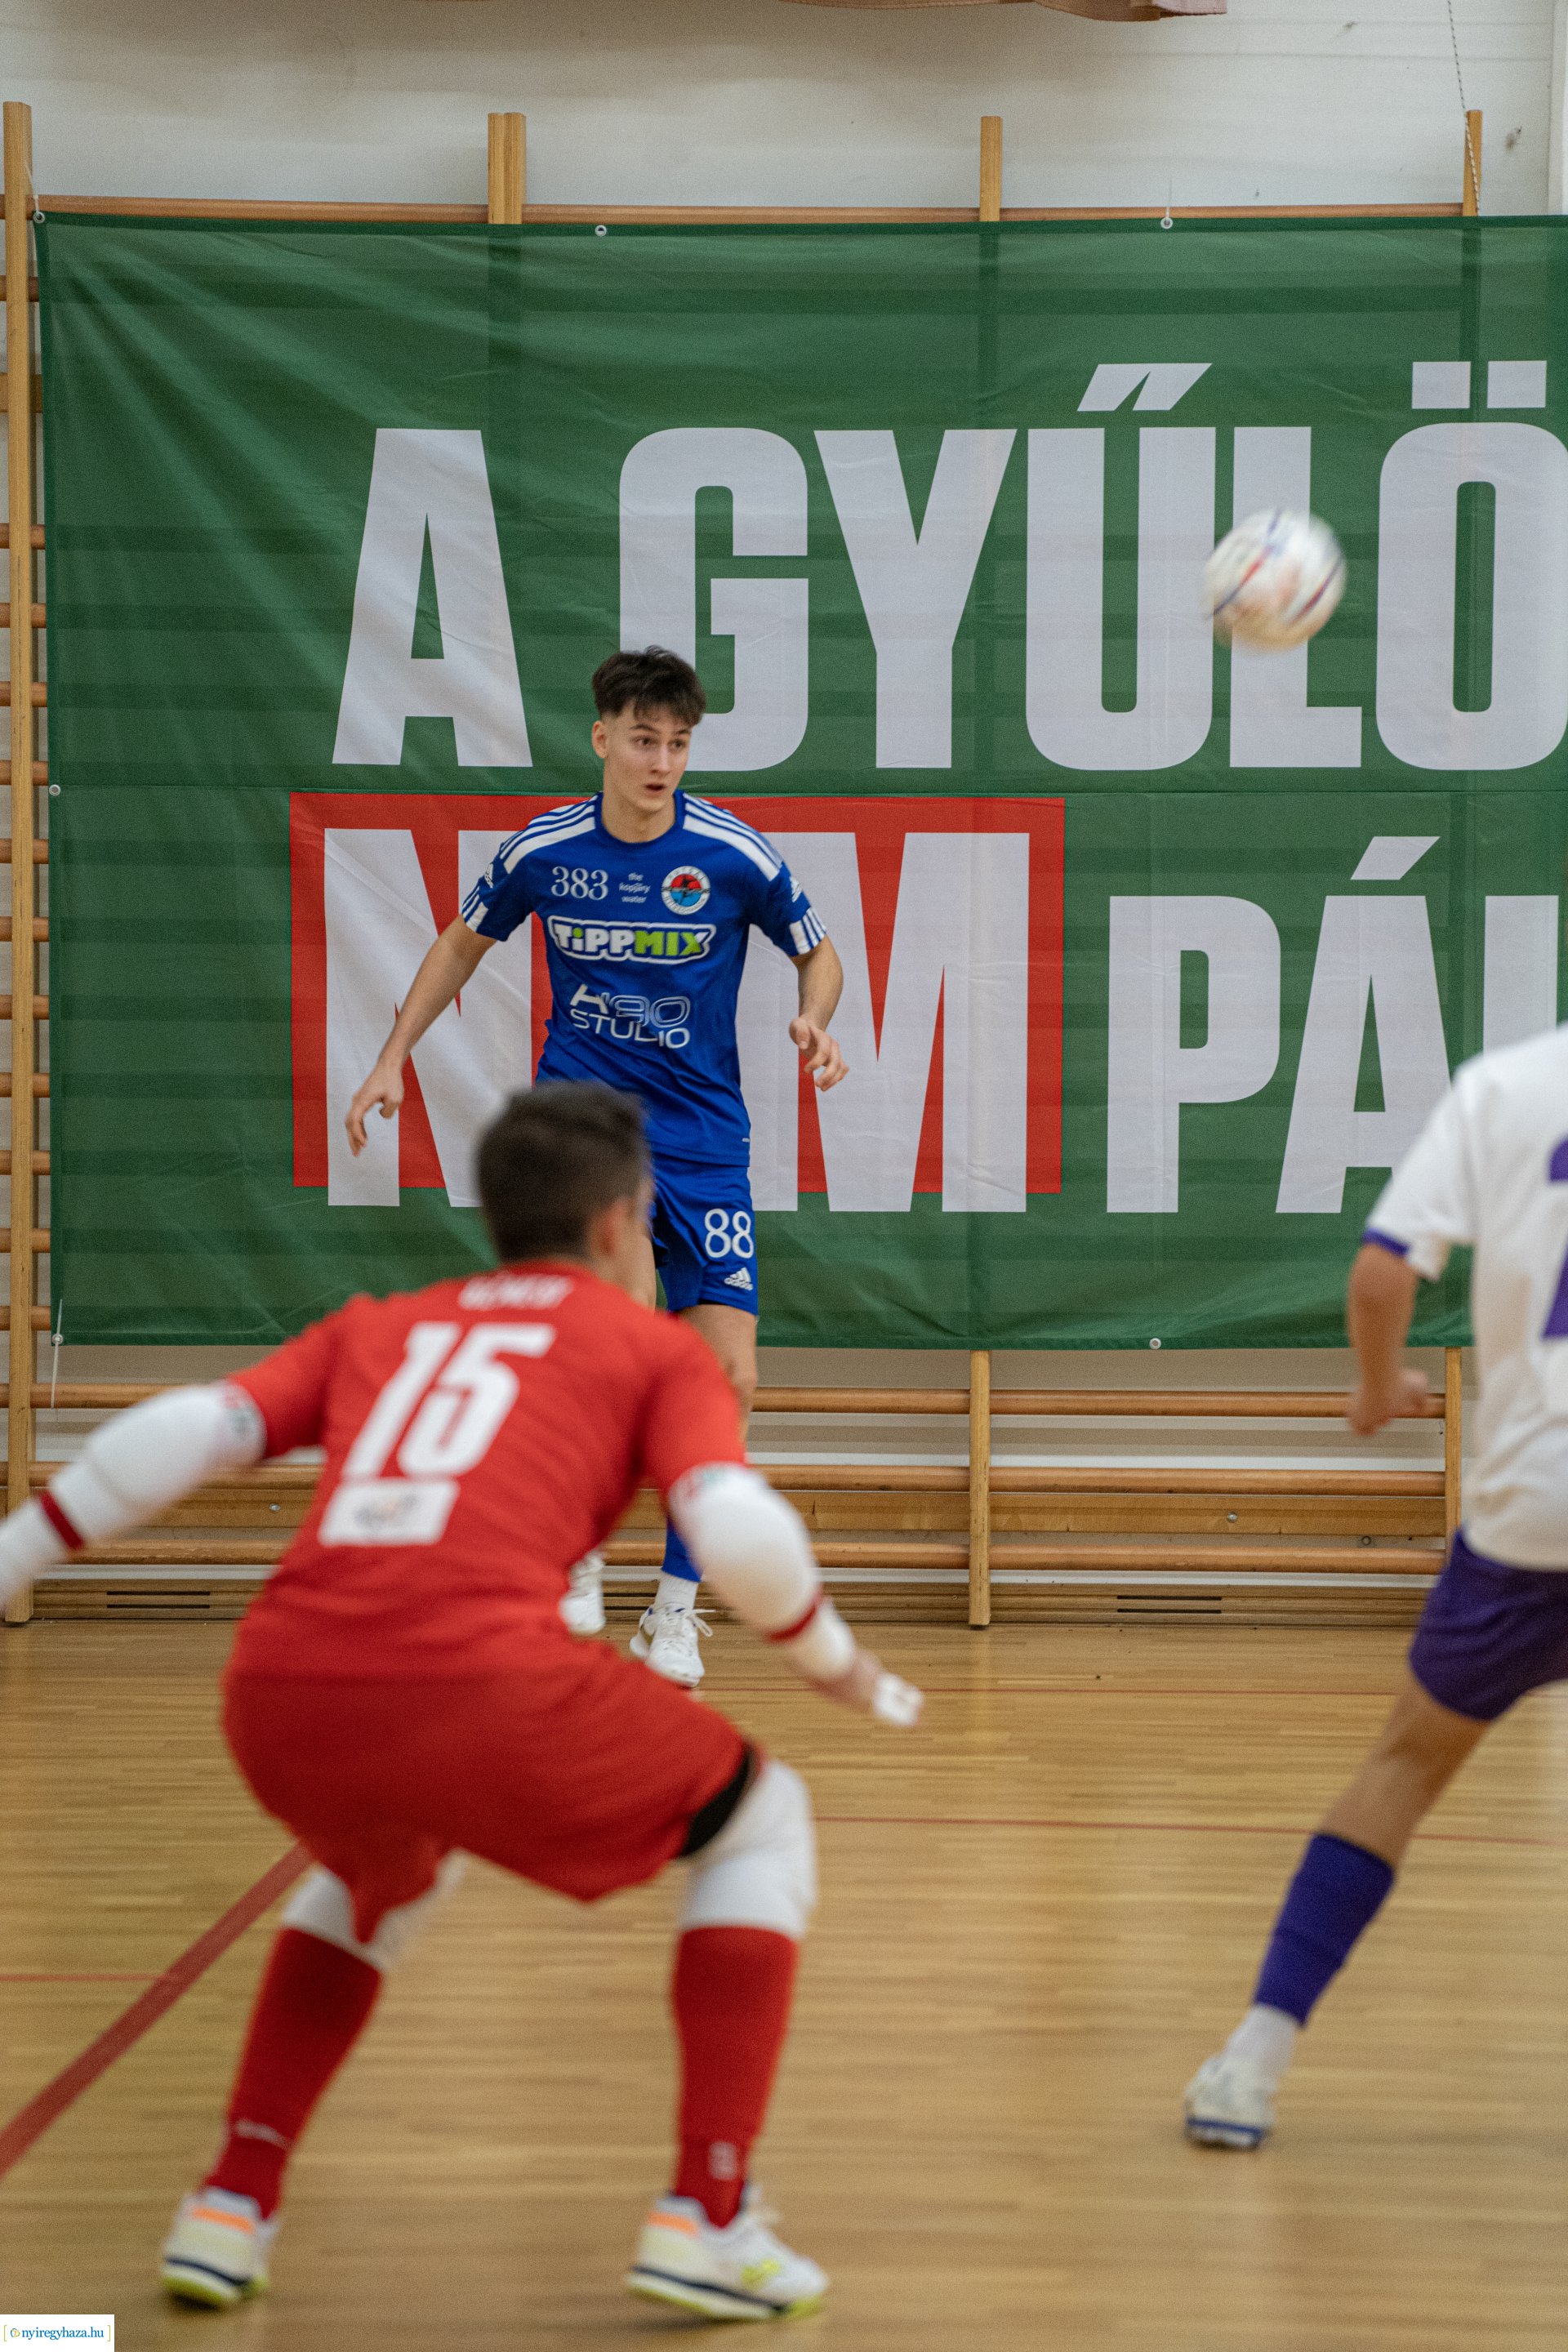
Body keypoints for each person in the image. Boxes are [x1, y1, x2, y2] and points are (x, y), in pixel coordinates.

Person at [0, 1085, 920, 2319]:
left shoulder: (388, 1324)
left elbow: (198, 1428)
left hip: (280, 1686)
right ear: (618, 1227)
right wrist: (834, 1661)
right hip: (478, 1681)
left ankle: (231, 2199)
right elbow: (732, 1523)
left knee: (378, 1871)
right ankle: (706, 2210)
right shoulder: (655, 1349)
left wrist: (17, 1559)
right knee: (765, 1819)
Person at [345, 646, 847, 1689]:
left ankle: (673, 1613)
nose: (661, 760)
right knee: (596, 1362)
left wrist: (814, 1014)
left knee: (728, 1376)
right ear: (603, 739)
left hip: (703, 1140)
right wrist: (393, 1054)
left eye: (678, 743)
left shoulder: (731, 856)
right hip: (586, 1137)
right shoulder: (546, 849)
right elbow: (458, 943)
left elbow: (818, 949)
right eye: (644, 739)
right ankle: (576, 1556)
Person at [1184, 1020, 1568, 2149]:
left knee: (1405, 1763)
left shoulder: (1507, 1086)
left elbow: (1380, 1270)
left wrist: (1371, 1389)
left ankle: (1252, 2061)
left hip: (1531, 1509)